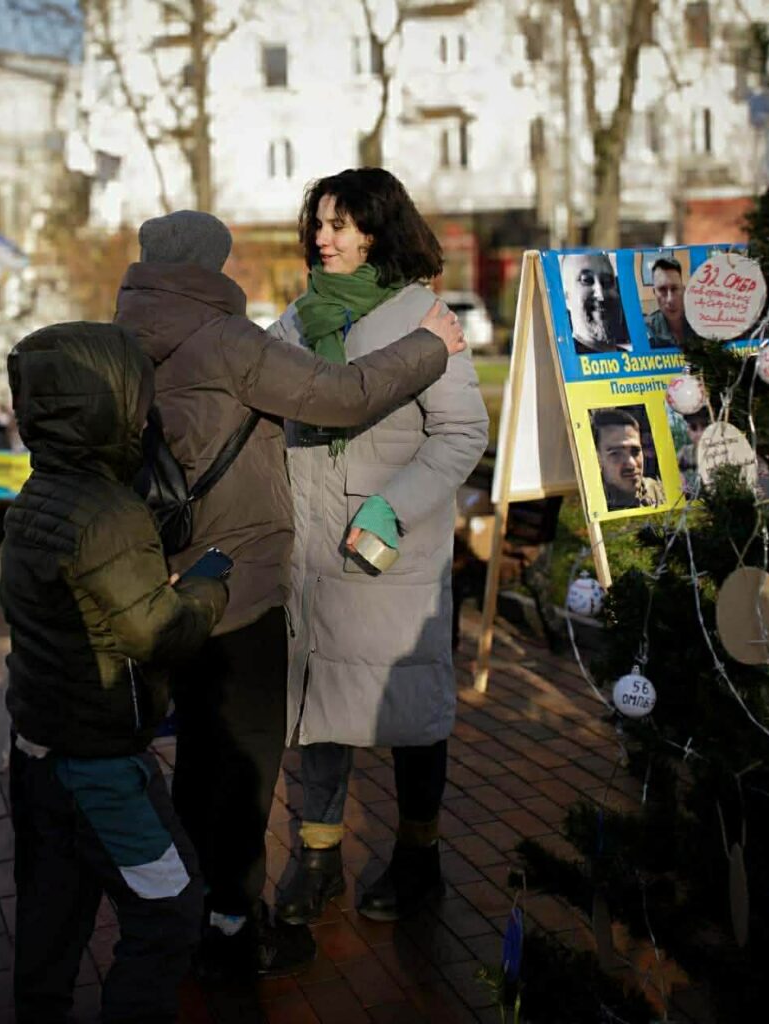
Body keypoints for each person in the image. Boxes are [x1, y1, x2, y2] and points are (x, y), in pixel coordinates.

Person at [112, 209, 467, 981]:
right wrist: (432, 345)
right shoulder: (229, 338)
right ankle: (234, 928)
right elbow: (341, 396)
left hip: (164, 577)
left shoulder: (119, 335)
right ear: (215, 261)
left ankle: (197, 906)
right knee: (237, 769)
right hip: (239, 585)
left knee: (194, 760)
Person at [270, 167, 489, 926]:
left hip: (389, 549)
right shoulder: (296, 322)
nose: (324, 238)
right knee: (318, 707)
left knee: (409, 710)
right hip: (310, 551)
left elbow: (463, 432)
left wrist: (393, 509)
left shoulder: (422, 317)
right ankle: (318, 857)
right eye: (319, 225)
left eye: (341, 224)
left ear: (377, 229)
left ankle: (419, 857)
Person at [0, 322, 230, 1023]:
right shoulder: (108, 512)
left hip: (37, 750)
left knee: (53, 919)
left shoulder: (36, 496)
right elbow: (158, 634)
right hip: (99, 769)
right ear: (104, 407)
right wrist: (209, 585)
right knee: (169, 910)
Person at [592, 407, 665, 511]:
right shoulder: (592, 502)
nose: (632, 464)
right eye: (616, 454)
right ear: (598, 458)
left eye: (635, 451)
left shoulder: (658, 491)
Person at [560, 251, 630, 354]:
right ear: (566, 297)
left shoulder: (632, 358)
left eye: (607, 281)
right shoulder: (564, 362)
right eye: (586, 280)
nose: (600, 294)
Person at [645, 257, 700, 350]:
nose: (670, 300)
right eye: (662, 290)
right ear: (654, 292)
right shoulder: (647, 329)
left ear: (683, 289)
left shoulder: (701, 322)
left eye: (674, 289)